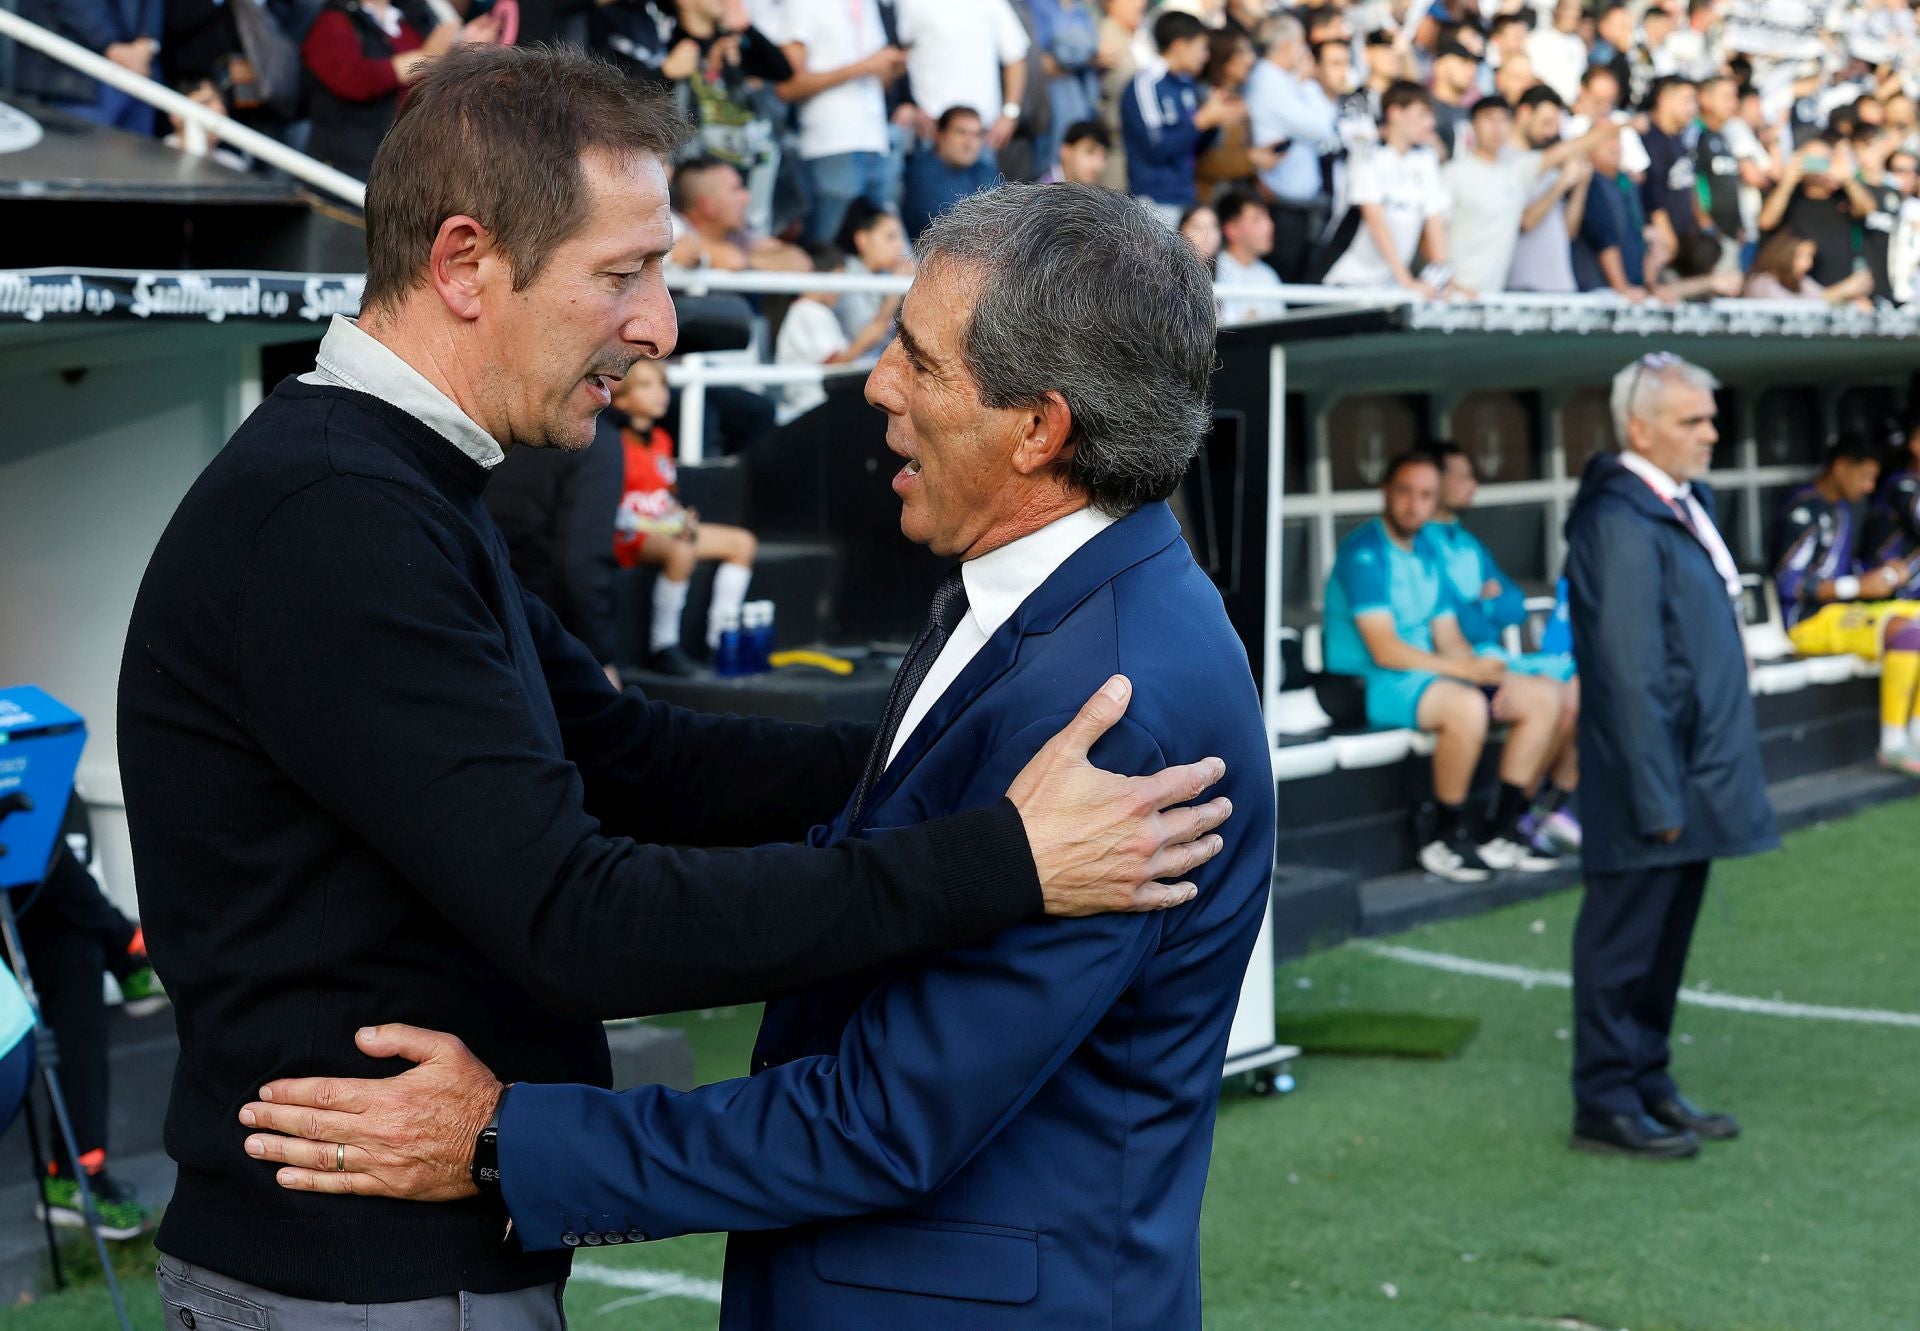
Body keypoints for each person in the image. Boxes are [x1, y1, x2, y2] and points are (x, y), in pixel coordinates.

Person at [119, 46, 1233, 1325]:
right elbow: (581, 916)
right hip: (350, 1263)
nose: (657, 322)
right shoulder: (337, 514)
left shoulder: (387, 484)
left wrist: (937, 757)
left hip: (393, 1262)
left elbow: (625, 751)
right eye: (622, 272)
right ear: (466, 263)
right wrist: (1001, 856)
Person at [1563, 352, 1779, 1159]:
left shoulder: (1674, 504)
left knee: (1662, 945)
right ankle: (1606, 1101)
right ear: (1641, 427)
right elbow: (1628, 673)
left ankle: (1646, 1081)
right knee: (1624, 944)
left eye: (1712, 417)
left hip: (1684, 774)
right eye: (1693, 420)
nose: (1711, 432)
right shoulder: (1620, 520)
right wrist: (1656, 796)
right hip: (1648, 781)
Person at [1323, 452, 1569, 884]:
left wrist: (1482, 669)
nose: (1414, 505)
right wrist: (1466, 675)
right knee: (1467, 706)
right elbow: (1385, 650)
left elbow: (1447, 633)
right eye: (1405, 492)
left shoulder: (1426, 552)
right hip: (1366, 682)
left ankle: (1502, 830)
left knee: (1543, 694)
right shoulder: (1365, 551)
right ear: (1386, 491)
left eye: (1425, 496)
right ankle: (1443, 836)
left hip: (1422, 674)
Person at [1425, 443, 1582, 850]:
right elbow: (1455, 620)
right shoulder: (1420, 543)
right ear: (1433, 480)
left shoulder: (1466, 542)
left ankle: (1533, 814)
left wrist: (1486, 602)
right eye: (1462, 475)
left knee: (1584, 692)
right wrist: (1483, 604)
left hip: (1495, 660)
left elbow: (1513, 605)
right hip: (1451, 669)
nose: (1472, 484)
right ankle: (1505, 825)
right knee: (1553, 701)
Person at [1768, 434, 1920, 773]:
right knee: (1909, 633)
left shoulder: (1842, 510)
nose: (1869, 487)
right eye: (1864, 476)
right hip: (1806, 621)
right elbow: (1789, 582)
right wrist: (1857, 585)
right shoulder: (1803, 509)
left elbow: (1844, 570)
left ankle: (1918, 735)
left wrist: (1882, 576)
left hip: (1841, 611)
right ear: (1840, 467)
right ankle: (1894, 744)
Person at [605, 360, 761, 673]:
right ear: (621, 398)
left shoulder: (662, 440)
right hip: (626, 534)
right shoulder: (611, 443)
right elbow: (612, 509)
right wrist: (666, 525)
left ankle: (720, 640)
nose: (660, 393)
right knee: (681, 549)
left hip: (665, 528)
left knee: (742, 543)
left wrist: (679, 518)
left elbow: (665, 495)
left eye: (662, 385)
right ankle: (663, 645)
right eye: (646, 386)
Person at [483, 400, 627, 682]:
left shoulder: (501, 423)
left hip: (489, 628)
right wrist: (601, 657)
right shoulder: (594, 438)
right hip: (554, 646)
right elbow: (582, 564)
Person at [301, 0, 502, 182]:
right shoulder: (332, 22)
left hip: (397, 160)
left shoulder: (405, 24)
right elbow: (357, 80)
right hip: (345, 165)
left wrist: (460, 46)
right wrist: (435, 52)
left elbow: (424, 79)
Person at [771, 0, 905, 247]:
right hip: (830, 146)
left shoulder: (868, 5)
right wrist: (863, 67)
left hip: (876, 143)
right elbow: (787, 86)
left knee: (884, 254)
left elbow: (878, 76)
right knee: (826, 252)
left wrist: (894, 66)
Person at [1322, 81, 1463, 297]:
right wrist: (1405, 280)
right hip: (1348, 282)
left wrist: (1445, 279)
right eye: (1422, 114)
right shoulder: (1367, 156)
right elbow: (1375, 220)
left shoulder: (1425, 160)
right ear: (1395, 113)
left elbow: (1434, 222)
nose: (1430, 123)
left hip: (1391, 288)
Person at [1245, 14, 1339, 281]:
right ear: (1287, 45)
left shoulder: (1280, 80)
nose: (1304, 52)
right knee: (1285, 276)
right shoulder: (1268, 80)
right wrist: (1308, 82)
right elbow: (1321, 126)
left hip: (1296, 205)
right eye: (1301, 44)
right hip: (1282, 204)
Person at [1122, 10, 1238, 225]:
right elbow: (1155, 147)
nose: (1206, 56)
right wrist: (1201, 120)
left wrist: (1213, 123)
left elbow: (1194, 146)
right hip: (1153, 199)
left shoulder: (1186, 85)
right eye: (1202, 47)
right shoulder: (1147, 83)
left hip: (1185, 196)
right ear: (1179, 45)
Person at [893, 0, 1031, 157]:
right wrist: (909, 104)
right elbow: (898, 56)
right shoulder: (908, 3)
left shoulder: (993, 3)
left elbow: (1014, 57)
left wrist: (1010, 113)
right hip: (930, 130)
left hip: (982, 132)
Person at [11, 0, 164, 135]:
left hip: (140, 75)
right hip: (73, 78)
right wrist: (109, 45)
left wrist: (147, 43)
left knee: (135, 161)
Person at [1755, 135, 1880, 290]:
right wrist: (1787, 181)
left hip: (1840, 289)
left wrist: (1848, 179)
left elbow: (1868, 210)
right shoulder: (1787, 194)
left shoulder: (1842, 195)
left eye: (1823, 161)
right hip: (1792, 293)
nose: (1817, 168)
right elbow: (1766, 222)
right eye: (1811, 161)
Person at [669, 155, 811, 271]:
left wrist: (744, 260)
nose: (747, 198)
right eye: (736, 189)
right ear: (707, 206)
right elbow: (731, 260)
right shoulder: (671, 230)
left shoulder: (737, 235)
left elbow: (800, 261)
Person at [773, 245, 858, 424]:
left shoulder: (810, 310)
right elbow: (834, 363)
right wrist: (875, 330)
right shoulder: (809, 311)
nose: (840, 290)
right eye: (838, 279)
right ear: (820, 276)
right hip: (813, 405)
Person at [831, 200, 912, 366]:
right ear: (862, 240)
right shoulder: (845, 276)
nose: (899, 246)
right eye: (890, 237)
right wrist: (895, 289)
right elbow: (864, 335)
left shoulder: (884, 275)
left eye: (899, 237)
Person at [901, 107, 1001, 240]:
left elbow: (1006, 217)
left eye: (976, 135)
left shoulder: (985, 170)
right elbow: (944, 226)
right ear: (939, 135)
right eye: (961, 132)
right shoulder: (921, 173)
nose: (969, 142)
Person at [1741, 227, 1876, 305]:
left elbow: (1820, 296)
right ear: (1784, 253)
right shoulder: (1762, 282)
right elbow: (1797, 308)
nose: (1808, 264)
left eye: (1810, 256)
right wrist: (1845, 289)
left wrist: (1852, 300)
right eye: (1801, 255)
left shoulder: (1801, 281)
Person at [1213, 186, 1286, 324]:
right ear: (1231, 230)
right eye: (1257, 219)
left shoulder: (1269, 275)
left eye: (1267, 217)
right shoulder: (1213, 271)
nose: (1269, 225)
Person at [1526, 0, 1587, 104]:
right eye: (1569, 9)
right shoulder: (1537, 39)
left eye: (1577, 10)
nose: (1575, 14)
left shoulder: (1578, 43)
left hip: (1574, 106)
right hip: (1546, 103)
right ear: (1557, 11)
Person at [1039, 118, 1113, 185]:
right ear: (1066, 151)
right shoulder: (1044, 193)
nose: (1098, 165)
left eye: (1104, 157)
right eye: (1089, 152)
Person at [1179, 200, 1222, 265]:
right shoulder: (1166, 269)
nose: (1207, 236)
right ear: (1182, 230)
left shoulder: (1225, 269)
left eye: (1213, 226)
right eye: (1197, 228)